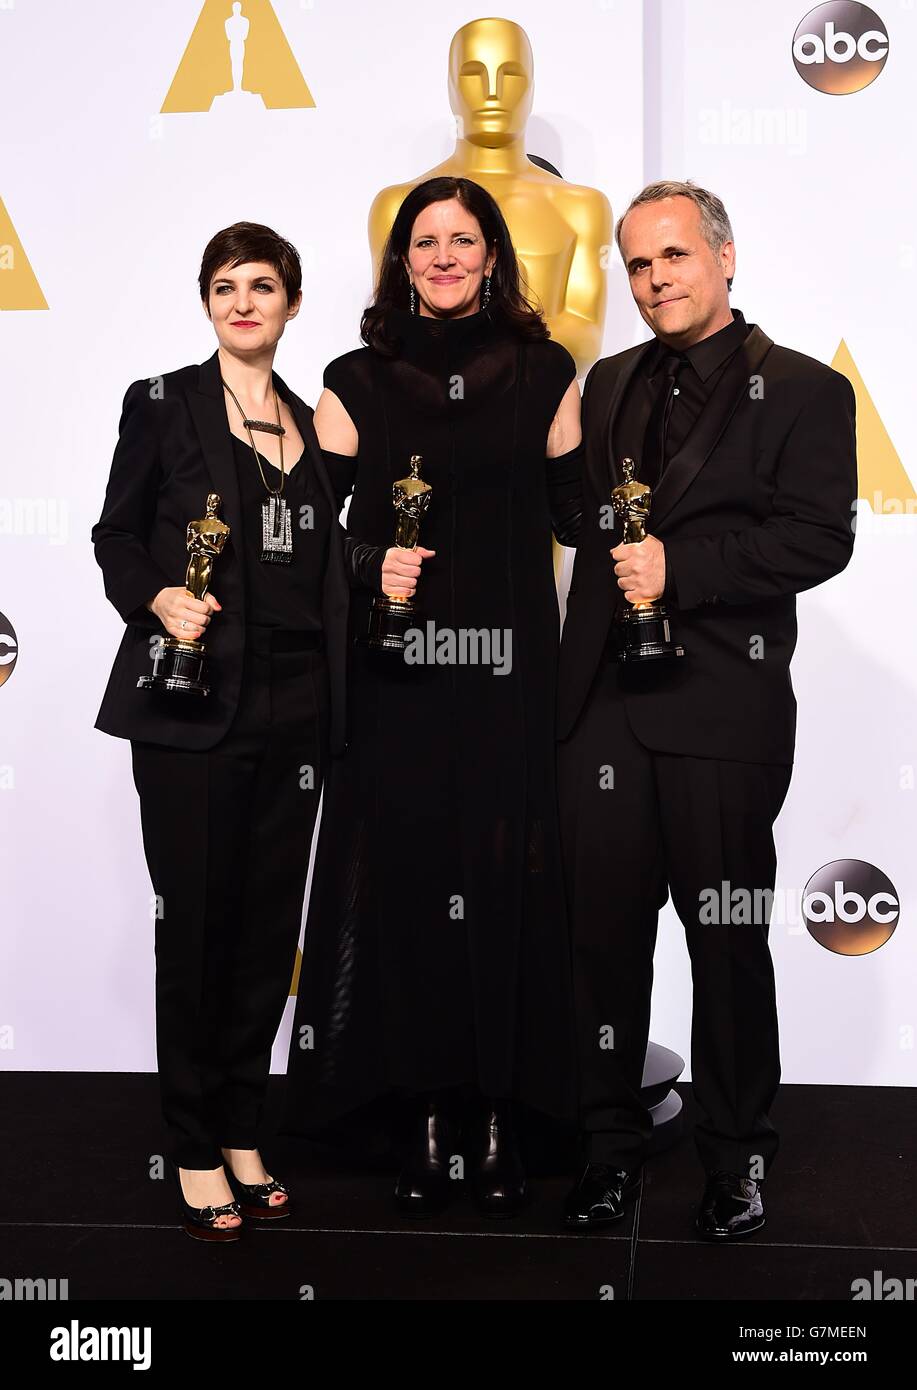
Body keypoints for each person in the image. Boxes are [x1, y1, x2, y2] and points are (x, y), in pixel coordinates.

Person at [557, 180, 857, 1238]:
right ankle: (606, 1148)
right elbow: (576, 513)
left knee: (723, 941)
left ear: (722, 259)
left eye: (673, 258)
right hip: (600, 710)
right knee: (597, 945)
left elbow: (819, 538)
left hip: (719, 709)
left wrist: (680, 566)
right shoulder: (604, 384)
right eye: (637, 265)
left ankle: (735, 1157)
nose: (653, 281)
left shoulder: (807, 391)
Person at [282, 177, 583, 1219]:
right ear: (399, 262)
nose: (444, 256)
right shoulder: (352, 378)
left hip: (508, 682)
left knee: (502, 892)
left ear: (493, 255)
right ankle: (419, 1113)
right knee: (408, 890)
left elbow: (582, 516)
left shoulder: (547, 371)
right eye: (425, 242)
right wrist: (370, 565)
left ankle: (498, 1114)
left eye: (463, 238)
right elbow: (304, 535)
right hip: (398, 680)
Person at [92, 222, 349, 1241]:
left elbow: (333, 557)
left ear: (291, 303)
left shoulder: (314, 422)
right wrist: (157, 594)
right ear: (207, 301)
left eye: (263, 286)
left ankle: (244, 1125)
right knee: (197, 928)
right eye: (224, 286)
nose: (242, 301)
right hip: (193, 699)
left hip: (298, 703)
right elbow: (116, 533)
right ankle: (193, 1142)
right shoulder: (162, 402)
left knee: (264, 935)